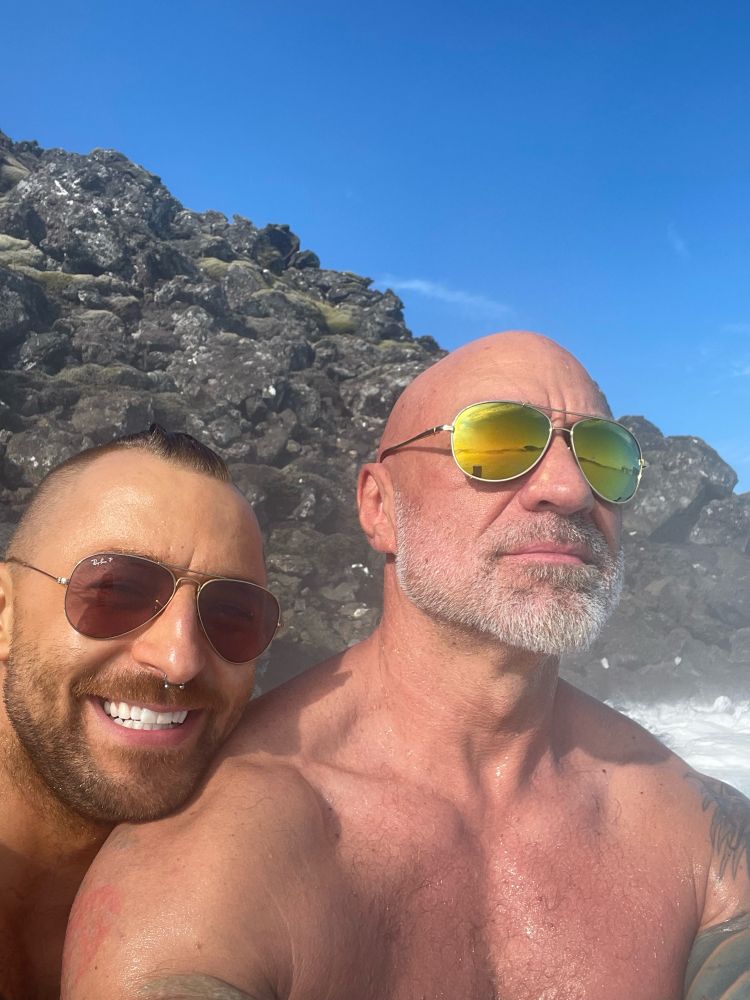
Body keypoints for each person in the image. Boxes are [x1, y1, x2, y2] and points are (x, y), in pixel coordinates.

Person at [63, 333, 749, 1000]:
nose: (570, 489)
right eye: (498, 442)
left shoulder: (692, 830)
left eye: (605, 454)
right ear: (380, 507)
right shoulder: (223, 855)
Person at [0, 425, 281, 1000]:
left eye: (232, 614)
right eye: (117, 592)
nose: (179, 659)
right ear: (5, 613)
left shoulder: (269, 871)